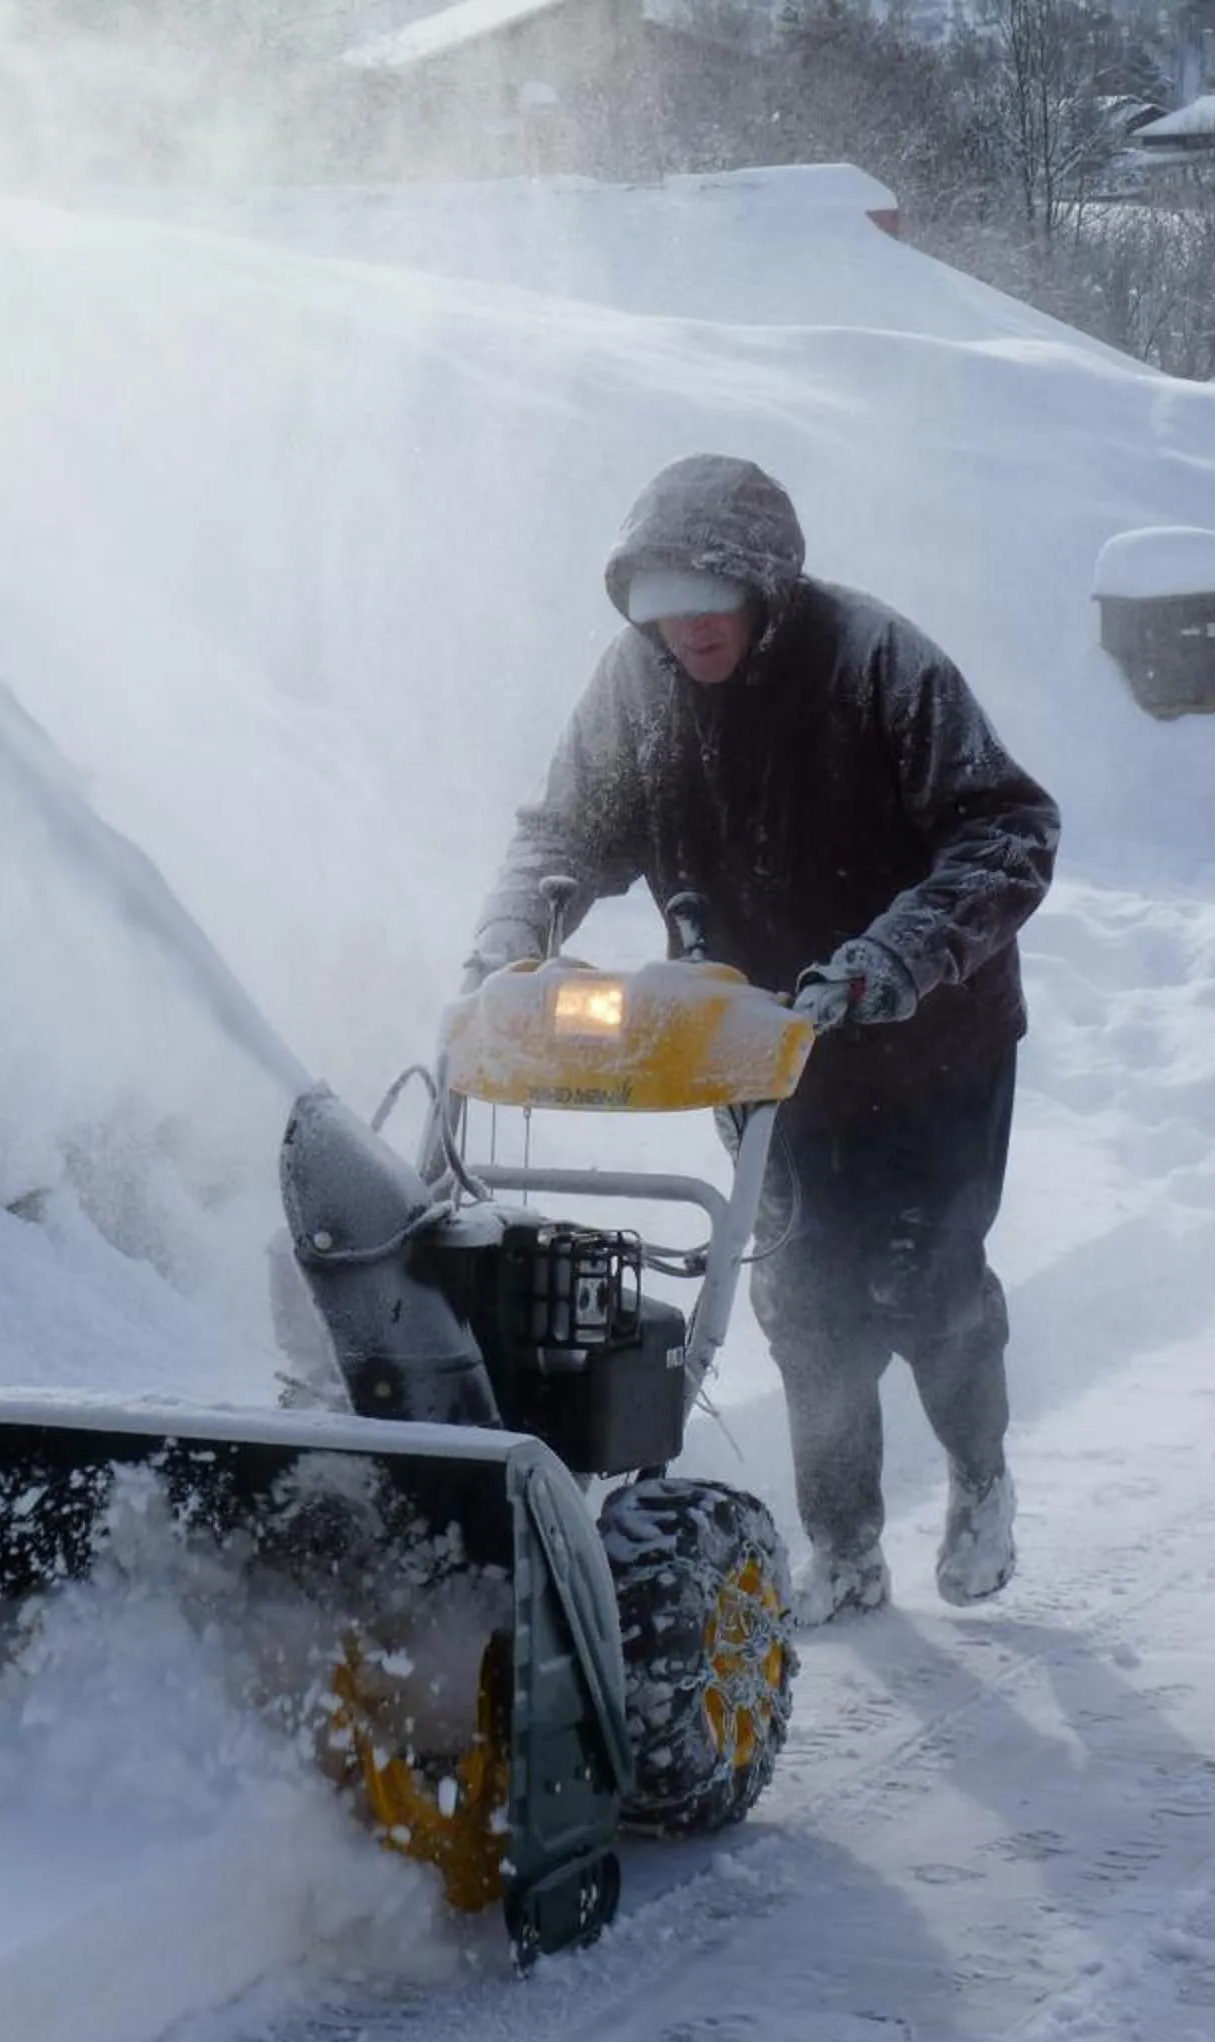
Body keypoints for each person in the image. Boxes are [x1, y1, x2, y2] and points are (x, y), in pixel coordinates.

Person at [468, 455, 1059, 1621]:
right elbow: (563, 836)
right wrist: (507, 943)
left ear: (766, 587)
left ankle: (981, 1476)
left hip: (930, 1040)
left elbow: (1008, 830)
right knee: (804, 1301)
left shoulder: (876, 663)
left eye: (708, 599)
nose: (684, 627)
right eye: (657, 604)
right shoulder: (634, 691)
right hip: (763, 1045)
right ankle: (843, 1548)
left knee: (923, 1280)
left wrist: (893, 959)